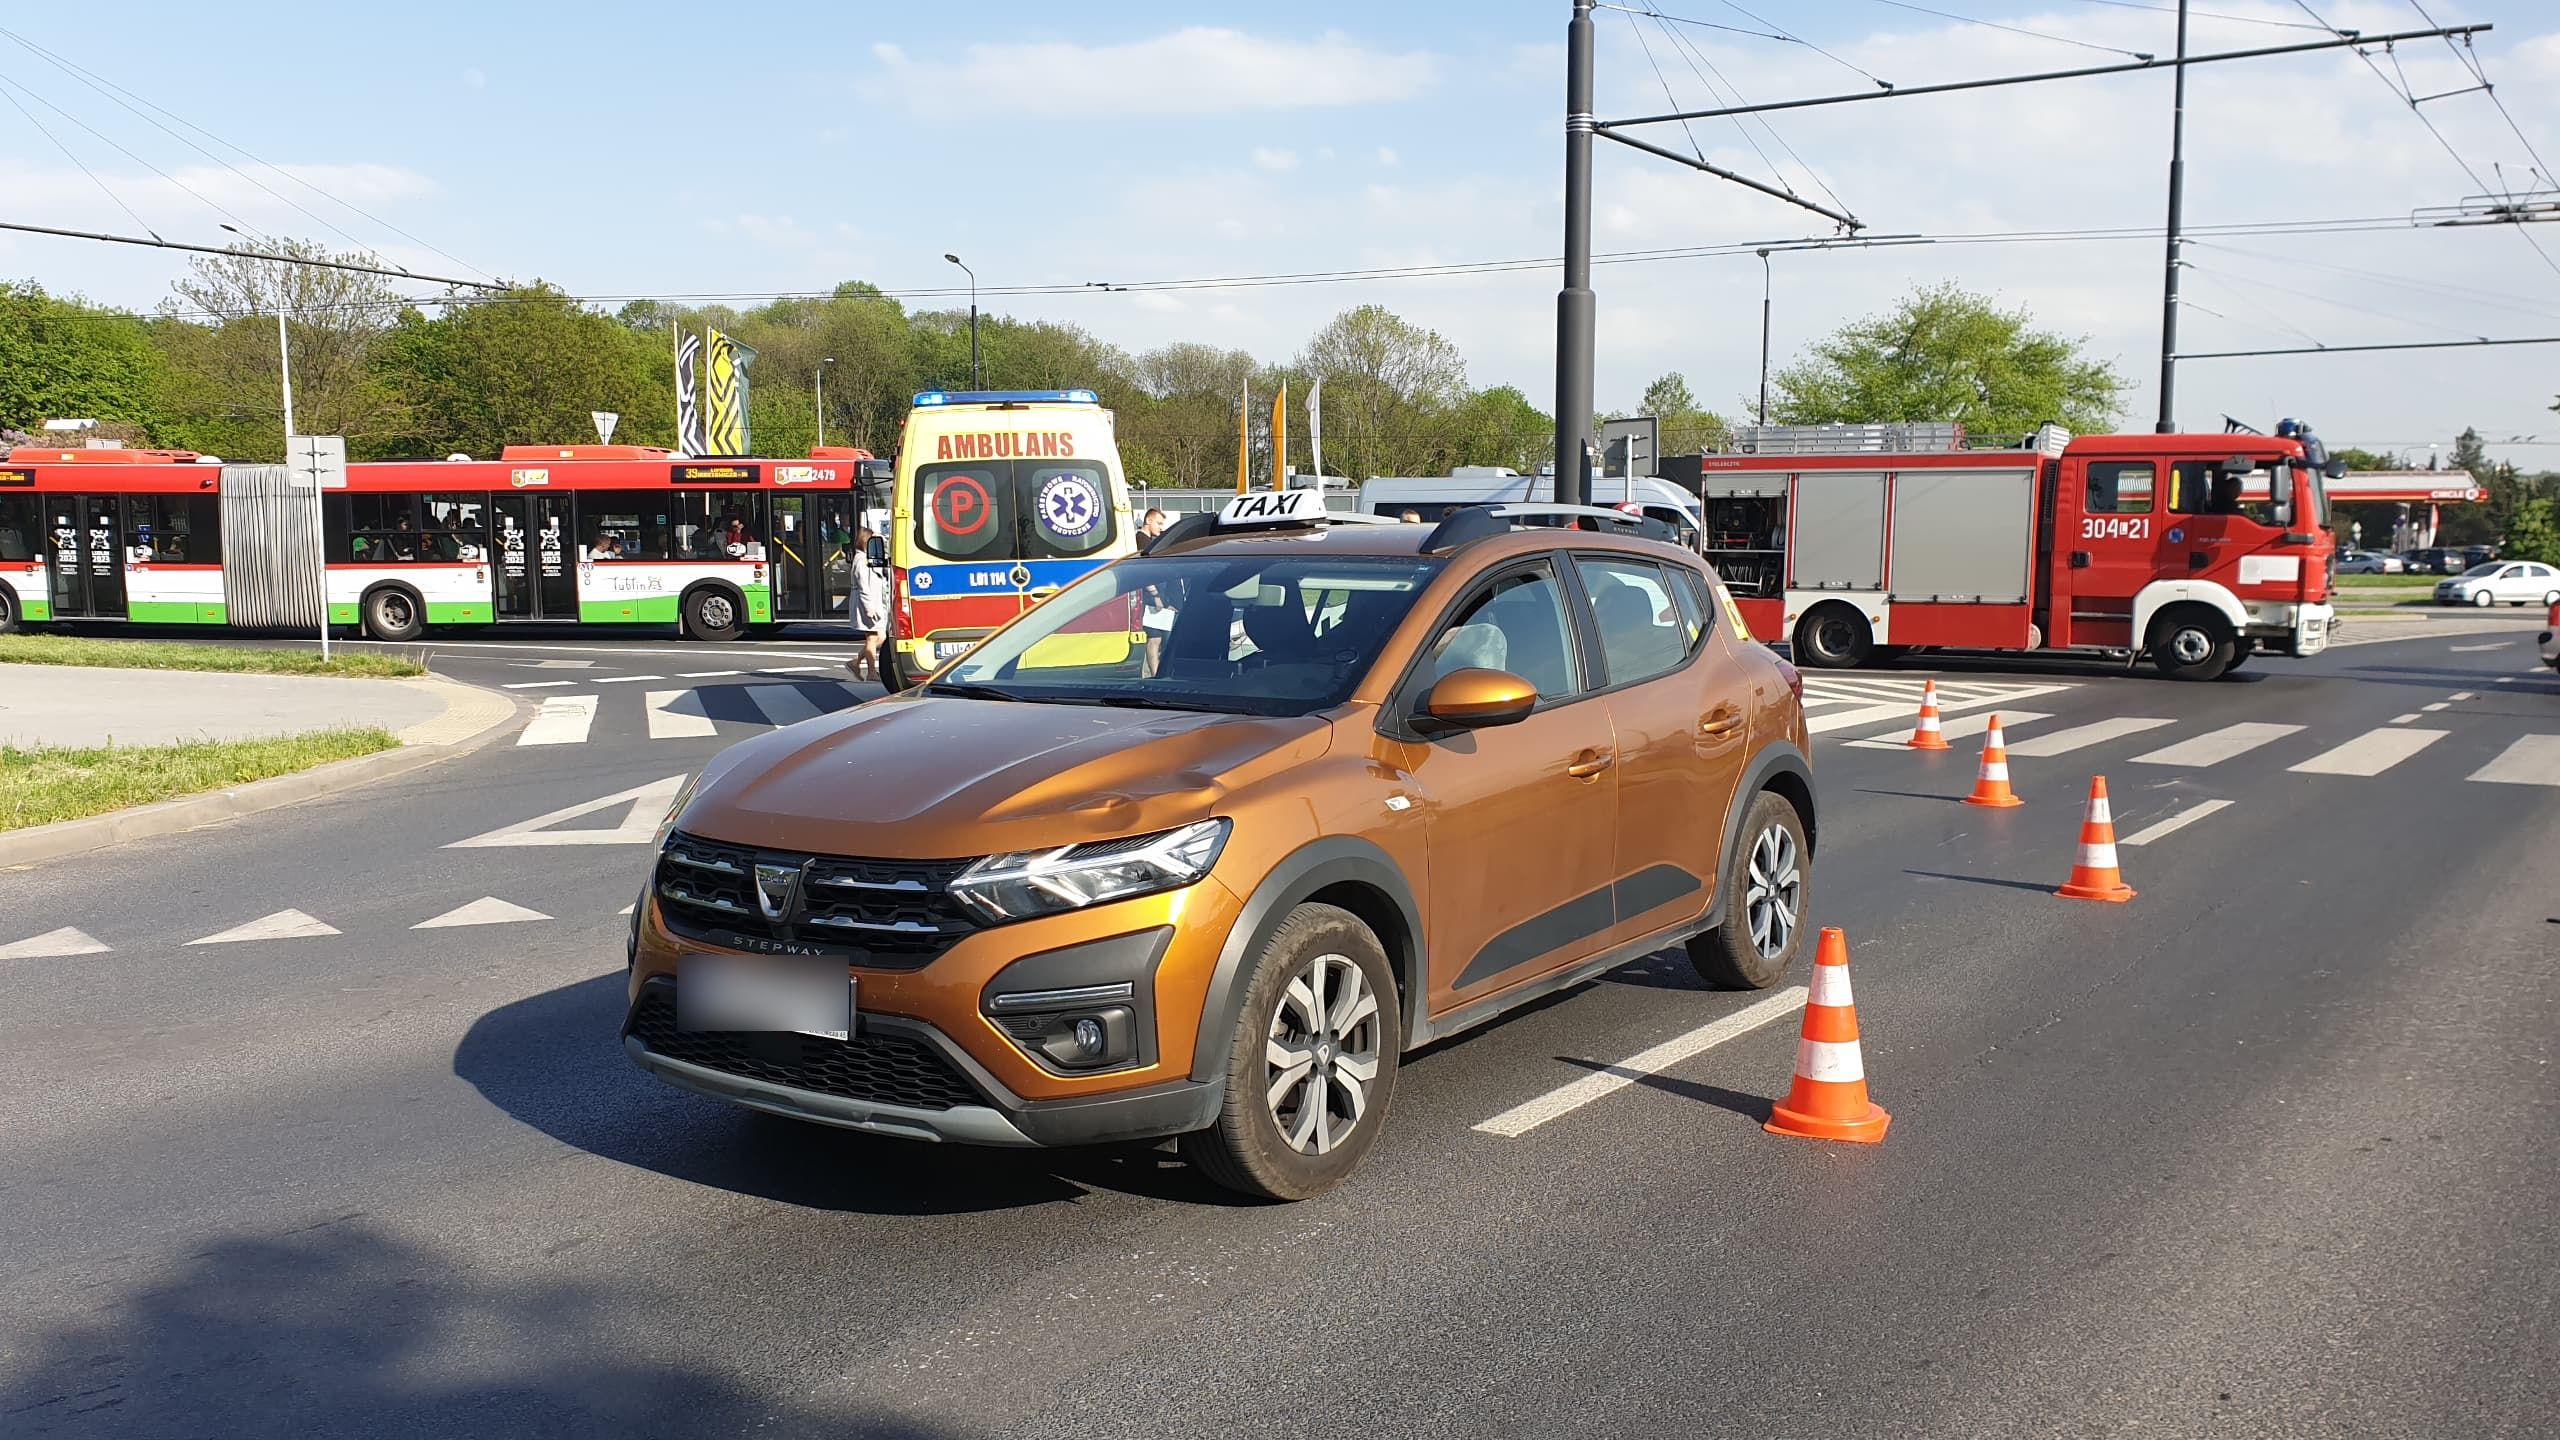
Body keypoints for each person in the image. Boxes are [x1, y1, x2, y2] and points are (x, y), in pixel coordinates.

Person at [845, 526, 890, 682]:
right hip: (867, 603)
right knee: (872, 637)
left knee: (881, 636)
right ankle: (871, 672)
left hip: (873, 601)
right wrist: (868, 607)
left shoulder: (868, 557)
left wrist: (882, 539)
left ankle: (856, 662)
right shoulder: (861, 560)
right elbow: (863, 585)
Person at [1138, 509, 1178, 677]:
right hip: (1151, 598)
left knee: (1157, 638)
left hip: (1157, 598)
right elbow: (1144, 571)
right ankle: (1156, 675)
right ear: (1148, 520)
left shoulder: (1148, 541)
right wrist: (1155, 596)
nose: (1161, 528)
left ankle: (1156, 673)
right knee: (1154, 638)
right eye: (1159, 523)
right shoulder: (1142, 541)